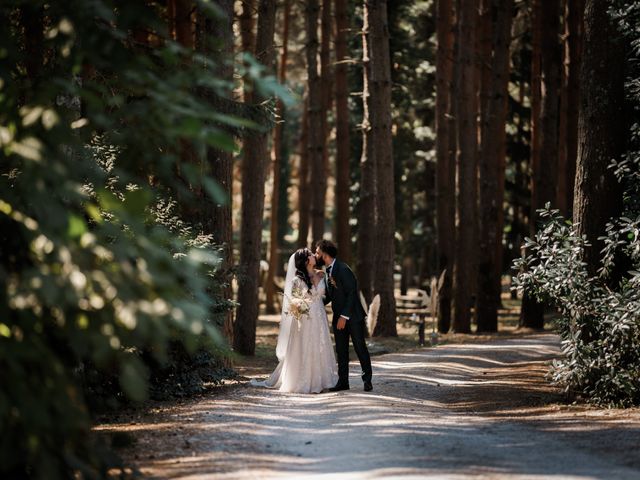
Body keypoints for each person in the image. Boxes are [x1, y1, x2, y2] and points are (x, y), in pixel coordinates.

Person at [250, 248, 338, 393]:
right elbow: (293, 300)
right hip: (304, 318)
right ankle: (303, 380)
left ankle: (322, 380)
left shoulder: (322, 274)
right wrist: (299, 305)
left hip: (320, 316)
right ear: (305, 261)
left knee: (319, 344)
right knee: (304, 345)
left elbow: (328, 295)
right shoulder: (297, 280)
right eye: (310, 254)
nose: (313, 255)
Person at [315, 239, 373, 392]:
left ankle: (367, 380)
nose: (316, 255)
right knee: (341, 350)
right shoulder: (328, 271)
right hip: (338, 317)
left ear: (325, 254)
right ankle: (343, 382)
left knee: (360, 347)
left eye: (318, 252)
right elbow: (329, 296)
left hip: (353, 317)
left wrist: (344, 316)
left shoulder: (343, 268)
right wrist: (312, 303)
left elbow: (352, 293)